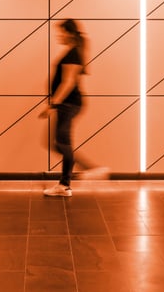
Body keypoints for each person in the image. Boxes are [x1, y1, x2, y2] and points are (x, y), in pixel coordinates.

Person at [41, 19, 108, 197]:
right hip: (67, 104)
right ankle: (83, 172)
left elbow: (68, 82)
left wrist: (53, 104)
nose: (59, 36)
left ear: (70, 33)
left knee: (63, 143)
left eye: (61, 32)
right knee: (58, 143)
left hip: (68, 104)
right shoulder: (73, 52)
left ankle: (66, 184)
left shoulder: (73, 54)